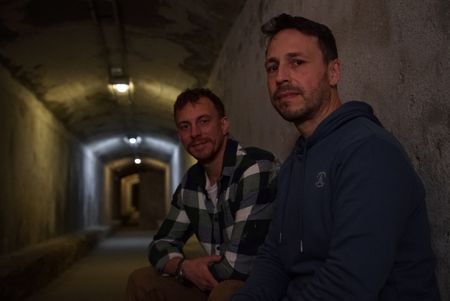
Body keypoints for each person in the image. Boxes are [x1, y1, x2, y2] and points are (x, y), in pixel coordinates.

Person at [232, 13, 440, 300]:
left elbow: (347, 285)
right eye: (272, 67)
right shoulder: (294, 164)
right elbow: (274, 258)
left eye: (297, 62)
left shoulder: (369, 151)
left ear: (334, 72)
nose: (280, 77)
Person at [126, 88, 279, 301]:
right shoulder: (192, 182)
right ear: (180, 136)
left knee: (224, 293)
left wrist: (192, 272)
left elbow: (239, 268)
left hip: (260, 284)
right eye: (185, 126)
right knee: (141, 281)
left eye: (204, 121)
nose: (195, 133)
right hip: (215, 280)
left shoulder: (254, 168)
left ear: (224, 125)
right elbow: (160, 244)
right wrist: (183, 267)